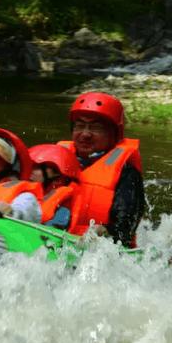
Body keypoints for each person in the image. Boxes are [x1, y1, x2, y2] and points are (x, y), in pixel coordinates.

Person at [57, 91, 145, 247]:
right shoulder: (55, 159)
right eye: (80, 126)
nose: (85, 134)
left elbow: (125, 227)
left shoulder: (127, 173)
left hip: (100, 250)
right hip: (50, 236)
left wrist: (105, 231)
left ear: (114, 134)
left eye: (95, 127)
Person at [28, 144, 81, 230]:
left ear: (58, 178)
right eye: (31, 166)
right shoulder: (24, 192)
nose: (31, 171)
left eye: (37, 168)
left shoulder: (63, 209)